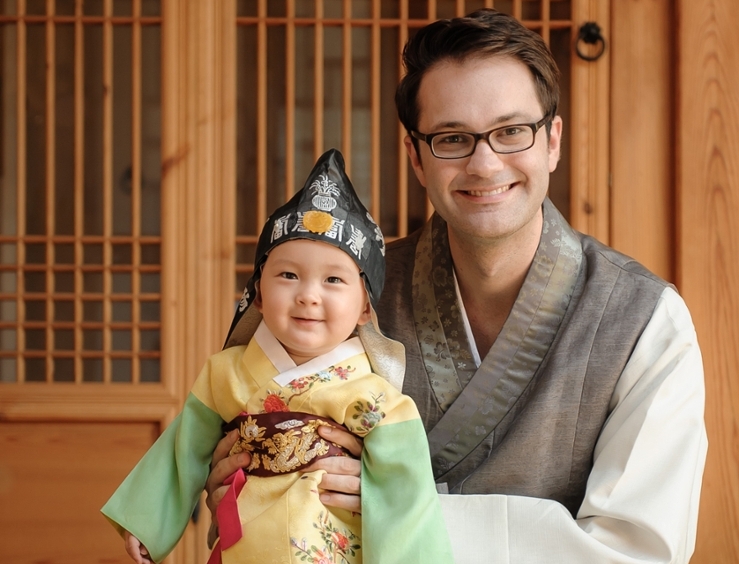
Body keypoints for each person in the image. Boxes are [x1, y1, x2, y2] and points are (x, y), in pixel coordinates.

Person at [208, 9, 708, 563]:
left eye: (512, 131)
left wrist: (398, 508)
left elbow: (637, 550)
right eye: (452, 138)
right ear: (416, 158)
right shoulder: (337, 293)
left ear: (552, 142)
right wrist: (239, 483)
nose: (485, 163)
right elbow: (242, 466)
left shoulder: (644, 319)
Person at [102, 149, 454, 564]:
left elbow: (406, 494)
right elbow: (183, 452)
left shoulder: (378, 399)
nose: (307, 294)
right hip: (245, 546)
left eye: (334, 279)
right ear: (259, 297)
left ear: (364, 309)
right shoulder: (223, 374)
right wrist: (148, 523)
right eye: (288, 275)